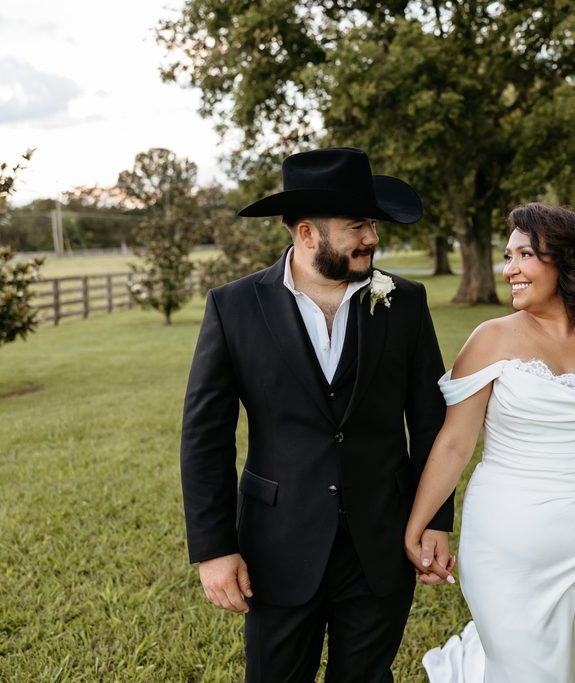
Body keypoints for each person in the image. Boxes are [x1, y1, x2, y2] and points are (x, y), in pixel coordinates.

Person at [180, 147, 456, 683]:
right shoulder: (233, 307)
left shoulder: (405, 302)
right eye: (357, 227)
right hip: (276, 546)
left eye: (372, 224)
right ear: (307, 234)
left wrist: (436, 521)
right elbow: (205, 437)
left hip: (382, 540)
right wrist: (214, 550)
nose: (372, 238)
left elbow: (429, 421)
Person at [405, 202, 575, 682]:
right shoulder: (490, 339)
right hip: (506, 544)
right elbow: (454, 445)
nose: (509, 270)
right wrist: (419, 523)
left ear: (566, 261)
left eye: (524, 255)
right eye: (507, 256)